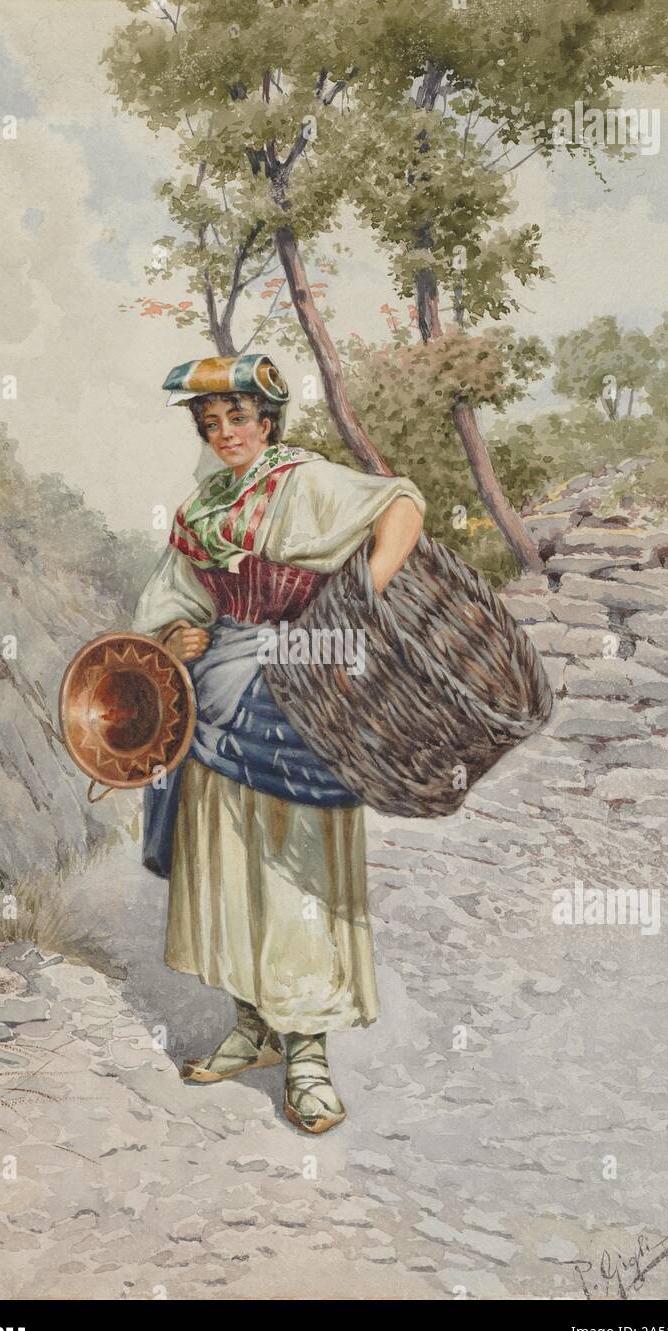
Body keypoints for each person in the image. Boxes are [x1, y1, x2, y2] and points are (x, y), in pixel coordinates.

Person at [131, 353, 425, 1134]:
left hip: (304, 688)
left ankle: (309, 1059)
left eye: (239, 418)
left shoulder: (307, 481)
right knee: (225, 865)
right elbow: (176, 595)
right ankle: (254, 1028)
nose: (225, 432)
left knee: (295, 873)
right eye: (211, 422)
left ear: (268, 421)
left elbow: (400, 505)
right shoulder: (202, 507)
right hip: (219, 690)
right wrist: (177, 631)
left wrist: (361, 597)